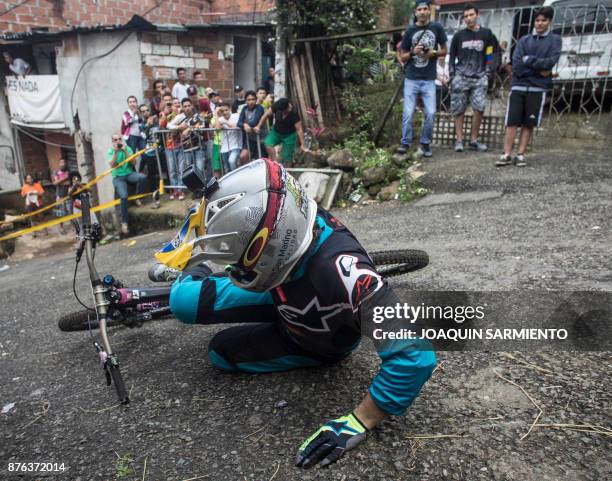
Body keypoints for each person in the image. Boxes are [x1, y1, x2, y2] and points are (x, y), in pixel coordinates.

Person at [166, 159, 436, 469]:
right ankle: (196, 271)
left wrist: (360, 421)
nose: (238, 268)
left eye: (245, 260)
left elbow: (416, 355)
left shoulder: (342, 269)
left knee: (220, 353)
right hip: (283, 288)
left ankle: (200, 277)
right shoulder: (287, 208)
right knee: (181, 301)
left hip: (312, 340)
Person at [498, 6, 561, 167]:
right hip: (519, 86)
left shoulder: (555, 40)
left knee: (529, 123)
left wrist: (529, 60)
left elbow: (551, 62)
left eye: (543, 20)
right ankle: (506, 154)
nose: (539, 23)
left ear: (549, 22)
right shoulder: (524, 40)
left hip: (537, 88)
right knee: (511, 121)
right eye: (537, 20)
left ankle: (520, 154)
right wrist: (538, 69)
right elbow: (517, 65)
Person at [397, 0, 448, 158]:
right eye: (420, 9)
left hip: (428, 79)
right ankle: (405, 143)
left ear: (429, 11)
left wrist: (431, 53)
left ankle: (425, 143)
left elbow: (444, 51)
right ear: (416, 12)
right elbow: (403, 57)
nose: (423, 12)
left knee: (431, 113)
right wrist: (413, 52)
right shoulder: (410, 30)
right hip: (411, 79)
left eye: (425, 9)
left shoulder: (437, 28)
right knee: (407, 113)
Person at [449, 3, 499, 153]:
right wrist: (452, 75)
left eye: (471, 15)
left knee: (479, 108)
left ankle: (474, 140)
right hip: (461, 76)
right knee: (459, 109)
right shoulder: (459, 36)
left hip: (479, 77)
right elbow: (451, 57)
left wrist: (488, 70)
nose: (469, 18)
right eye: (466, 16)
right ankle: (459, 140)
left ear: (477, 14)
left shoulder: (487, 34)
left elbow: (491, 53)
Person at [107, 133, 147, 235]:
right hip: (118, 178)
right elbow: (112, 165)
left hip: (129, 174)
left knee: (142, 178)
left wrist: (125, 151)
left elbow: (133, 163)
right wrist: (116, 152)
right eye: (115, 140)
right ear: (113, 142)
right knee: (124, 196)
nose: (118, 141)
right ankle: (124, 223)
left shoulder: (127, 148)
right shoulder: (111, 151)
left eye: (119, 139)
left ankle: (137, 198)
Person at [256, 98, 308, 165]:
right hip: (276, 132)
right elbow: (266, 115)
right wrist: (258, 126)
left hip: (289, 136)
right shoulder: (276, 106)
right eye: (286, 109)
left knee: (287, 158)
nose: (289, 108)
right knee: (268, 144)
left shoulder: (294, 112)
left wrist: (303, 145)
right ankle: (275, 164)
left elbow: (299, 129)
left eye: (289, 107)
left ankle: (287, 170)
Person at [169, 98, 210, 182]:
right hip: (186, 148)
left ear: (192, 106)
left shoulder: (198, 116)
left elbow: (201, 127)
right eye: (185, 106)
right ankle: (195, 189)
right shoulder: (180, 117)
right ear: (182, 107)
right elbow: (169, 125)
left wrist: (188, 128)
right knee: (189, 170)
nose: (187, 108)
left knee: (199, 168)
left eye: (189, 105)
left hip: (199, 146)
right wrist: (179, 127)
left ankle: (201, 188)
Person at [159, 97, 185, 200]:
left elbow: (180, 126)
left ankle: (180, 190)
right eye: (174, 104)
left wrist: (173, 125)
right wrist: (164, 115)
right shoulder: (167, 116)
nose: (177, 105)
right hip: (169, 146)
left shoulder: (182, 115)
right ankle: (174, 190)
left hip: (180, 145)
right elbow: (162, 126)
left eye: (179, 103)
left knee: (181, 169)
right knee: (172, 170)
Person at [138, 104, 161, 208]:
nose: (146, 112)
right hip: (150, 153)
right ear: (140, 113)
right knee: (153, 176)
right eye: (143, 111)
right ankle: (156, 199)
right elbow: (144, 137)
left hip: (160, 151)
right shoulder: (141, 125)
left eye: (147, 110)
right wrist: (148, 125)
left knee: (164, 174)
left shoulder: (156, 121)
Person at [238, 90, 267, 161]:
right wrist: (244, 125)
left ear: (256, 100)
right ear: (245, 101)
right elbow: (239, 122)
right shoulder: (244, 109)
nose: (251, 101)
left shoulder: (259, 108)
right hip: (250, 139)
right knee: (243, 157)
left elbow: (255, 122)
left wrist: (246, 124)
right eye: (248, 100)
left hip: (261, 139)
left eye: (253, 99)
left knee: (261, 160)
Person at [215, 102, 242, 174]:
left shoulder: (236, 115)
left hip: (236, 145)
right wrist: (217, 115)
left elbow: (236, 126)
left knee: (232, 161)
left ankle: (236, 177)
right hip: (224, 147)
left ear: (230, 109)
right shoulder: (220, 119)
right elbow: (217, 129)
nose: (224, 112)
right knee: (226, 168)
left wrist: (225, 123)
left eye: (226, 110)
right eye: (222, 111)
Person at [52, 158, 72, 234]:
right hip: (60, 195)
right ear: (59, 164)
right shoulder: (56, 172)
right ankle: (61, 228)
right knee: (61, 213)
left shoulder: (69, 172)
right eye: (61, 162)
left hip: (69, 195)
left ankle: (74, 226)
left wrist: (62, 181)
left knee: (70, 211)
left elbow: (69, 183)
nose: (62, 164)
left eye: (64, 162)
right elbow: (55, 183)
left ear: (66, 163)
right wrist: (65, 179)